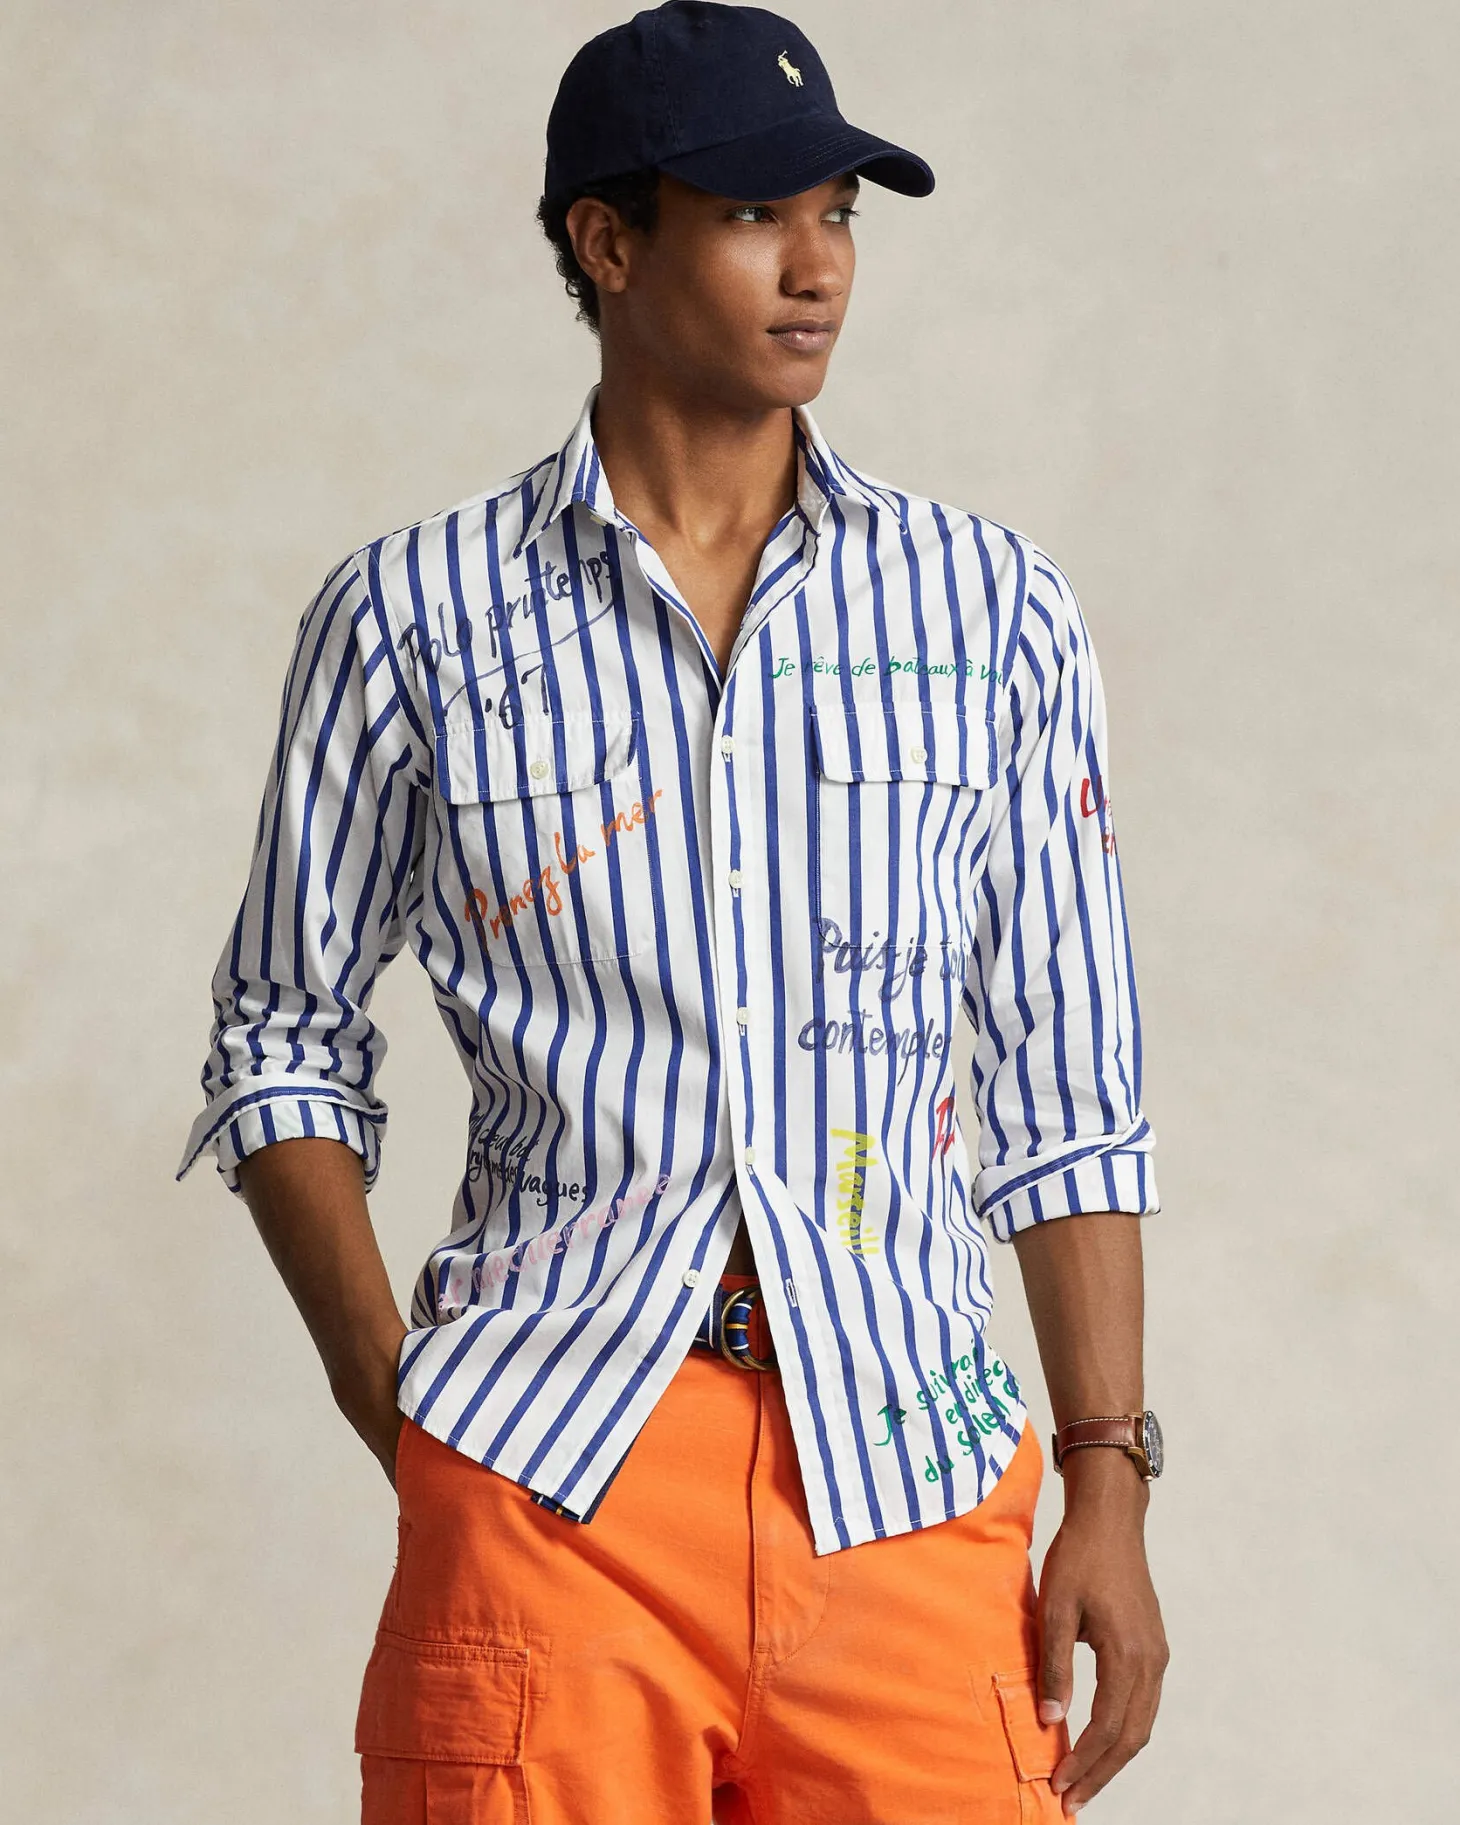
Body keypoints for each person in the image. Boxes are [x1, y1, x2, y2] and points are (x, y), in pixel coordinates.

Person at [178, 4, 1168, 1819]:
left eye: (838, 214)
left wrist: (1109, 1472)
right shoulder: (412, 619)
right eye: (754, 215)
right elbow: (279, 1041)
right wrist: (407, 1411)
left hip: (907, 1472)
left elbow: (1067, 1079)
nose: (819, 267)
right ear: (609, 242)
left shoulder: (991, 611)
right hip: (551, 1482)